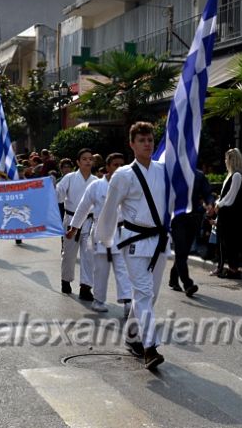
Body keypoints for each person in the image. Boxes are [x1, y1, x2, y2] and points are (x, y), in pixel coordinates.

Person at [96, 121, 169, 370]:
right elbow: (109, 209)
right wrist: (105, 239)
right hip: (134, 240)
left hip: (159, 240)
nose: (147, 144)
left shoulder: (162, 170)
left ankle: (131, 335)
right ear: (132, 144)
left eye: (150, 140)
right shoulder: (124, 175)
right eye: (142, 140)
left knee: (150, 295)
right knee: (144, 292)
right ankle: (150, 347)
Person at [66, 152, 132, 314]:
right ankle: (99, 300)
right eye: (115, 164)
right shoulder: (96, 186)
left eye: (122, 165)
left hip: (121, 232)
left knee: (123, 268)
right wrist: (74, 228)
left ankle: (128, 301)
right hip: (100, 232)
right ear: (107, 167)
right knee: (100, 269)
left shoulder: (129, 185)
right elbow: (83, 208)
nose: (119, 168)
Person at [56, 148, 98, 299]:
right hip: (71, 221)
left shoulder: (96, 182)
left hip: (89, 222)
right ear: (78, 162)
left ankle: (85, 287)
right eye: (84, 159)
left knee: (88, 256)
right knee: (69, 254)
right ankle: (66, 280)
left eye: (90, 159)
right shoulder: (69, 178)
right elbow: (59, 195)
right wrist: (53, 188)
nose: (88, 161)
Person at [168, 167, 213, 296]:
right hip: (177, 219)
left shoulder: (199, 175)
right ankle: (188, 284)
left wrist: (210, 203)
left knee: (184, 252)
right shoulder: (173, 174)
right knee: (181, 251)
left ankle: (173, 278)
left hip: (194, 219)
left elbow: (208, 193)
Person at [211, 149, 242, 279]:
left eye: (227, 158)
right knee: (225, 242)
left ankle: (233, 270)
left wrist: (219, 205)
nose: (225, 161)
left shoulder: (237, 175)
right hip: (227, 213)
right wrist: (218, 203)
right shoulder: (231, 175)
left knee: (231, 243)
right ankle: (227, 267)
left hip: (232, 215)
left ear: (232, 159)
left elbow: (231, 197)